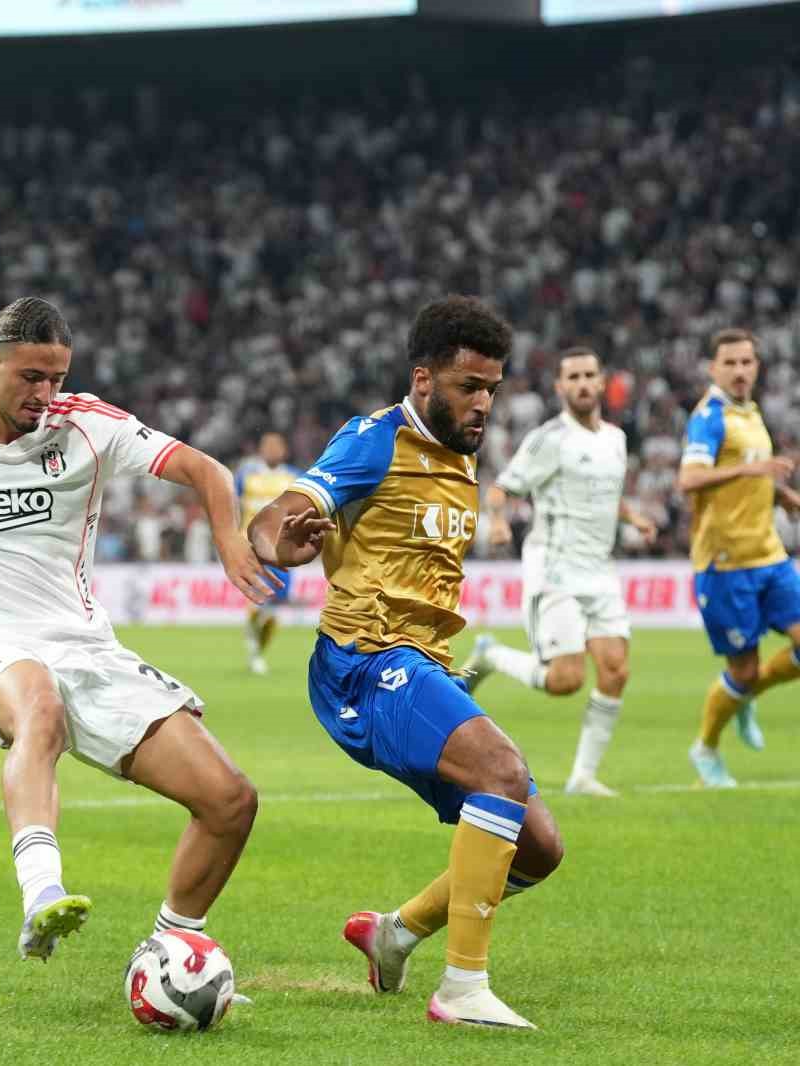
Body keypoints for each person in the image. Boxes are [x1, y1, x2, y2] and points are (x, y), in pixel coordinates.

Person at [0, 297, 274, 963]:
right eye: (31, 376)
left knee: (229, 799)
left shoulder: (88, 425)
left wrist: (229, 538)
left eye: (56, 377)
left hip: (86, 642)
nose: (45, 393)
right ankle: (41, 896)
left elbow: (206, 470)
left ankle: (171, 952)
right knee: (42, 711)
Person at [248, 295, 563, 1030]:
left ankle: (394, 932)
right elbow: (280, 515)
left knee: (539, 847)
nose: (484, 403)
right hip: (363, 664)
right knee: (503, 774)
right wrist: (275, 544)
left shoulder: (461, 451)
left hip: (425, 666)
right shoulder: (373, 440)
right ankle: (462, 989)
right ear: (424, 380)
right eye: (469, 387)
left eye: (493, 387)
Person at [460, 347, 658, 797]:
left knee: (615, 670)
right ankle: (490, 656)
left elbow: (605, 497)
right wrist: (496, 520)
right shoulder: (549, 439)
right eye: (574, 376)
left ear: (602, 381)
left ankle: (583, 776)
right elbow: (503, 488)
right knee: (566, 680)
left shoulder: (615, 438)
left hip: (600, 570)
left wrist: (633, 518)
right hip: (555, 568)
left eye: (590, 374)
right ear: (560, 387)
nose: (583, 383)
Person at [677, 328, 800, 788]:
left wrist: (781, 494)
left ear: (757, 365)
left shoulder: (750, 412)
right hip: (724, 564)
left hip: (768, 554)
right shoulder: (709, 417)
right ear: (713, 368)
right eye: (730, 363)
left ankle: (745, 696)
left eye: (747, 362)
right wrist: (753, 470)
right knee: (743, 670)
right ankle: (706, 747)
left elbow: (751, 476)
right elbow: (688, 480)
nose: (740, 370)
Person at [235, 432, 300, 675]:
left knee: (273, 614)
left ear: (284, 450)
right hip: (251, 548)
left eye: (276, 446)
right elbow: (232, 504)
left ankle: (257, 651)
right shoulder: (246, 475)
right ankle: (253, 652)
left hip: (281, 551)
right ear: (261, 449)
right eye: (268, 445)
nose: (272, 450)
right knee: (255, 604)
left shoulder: (294, 477)